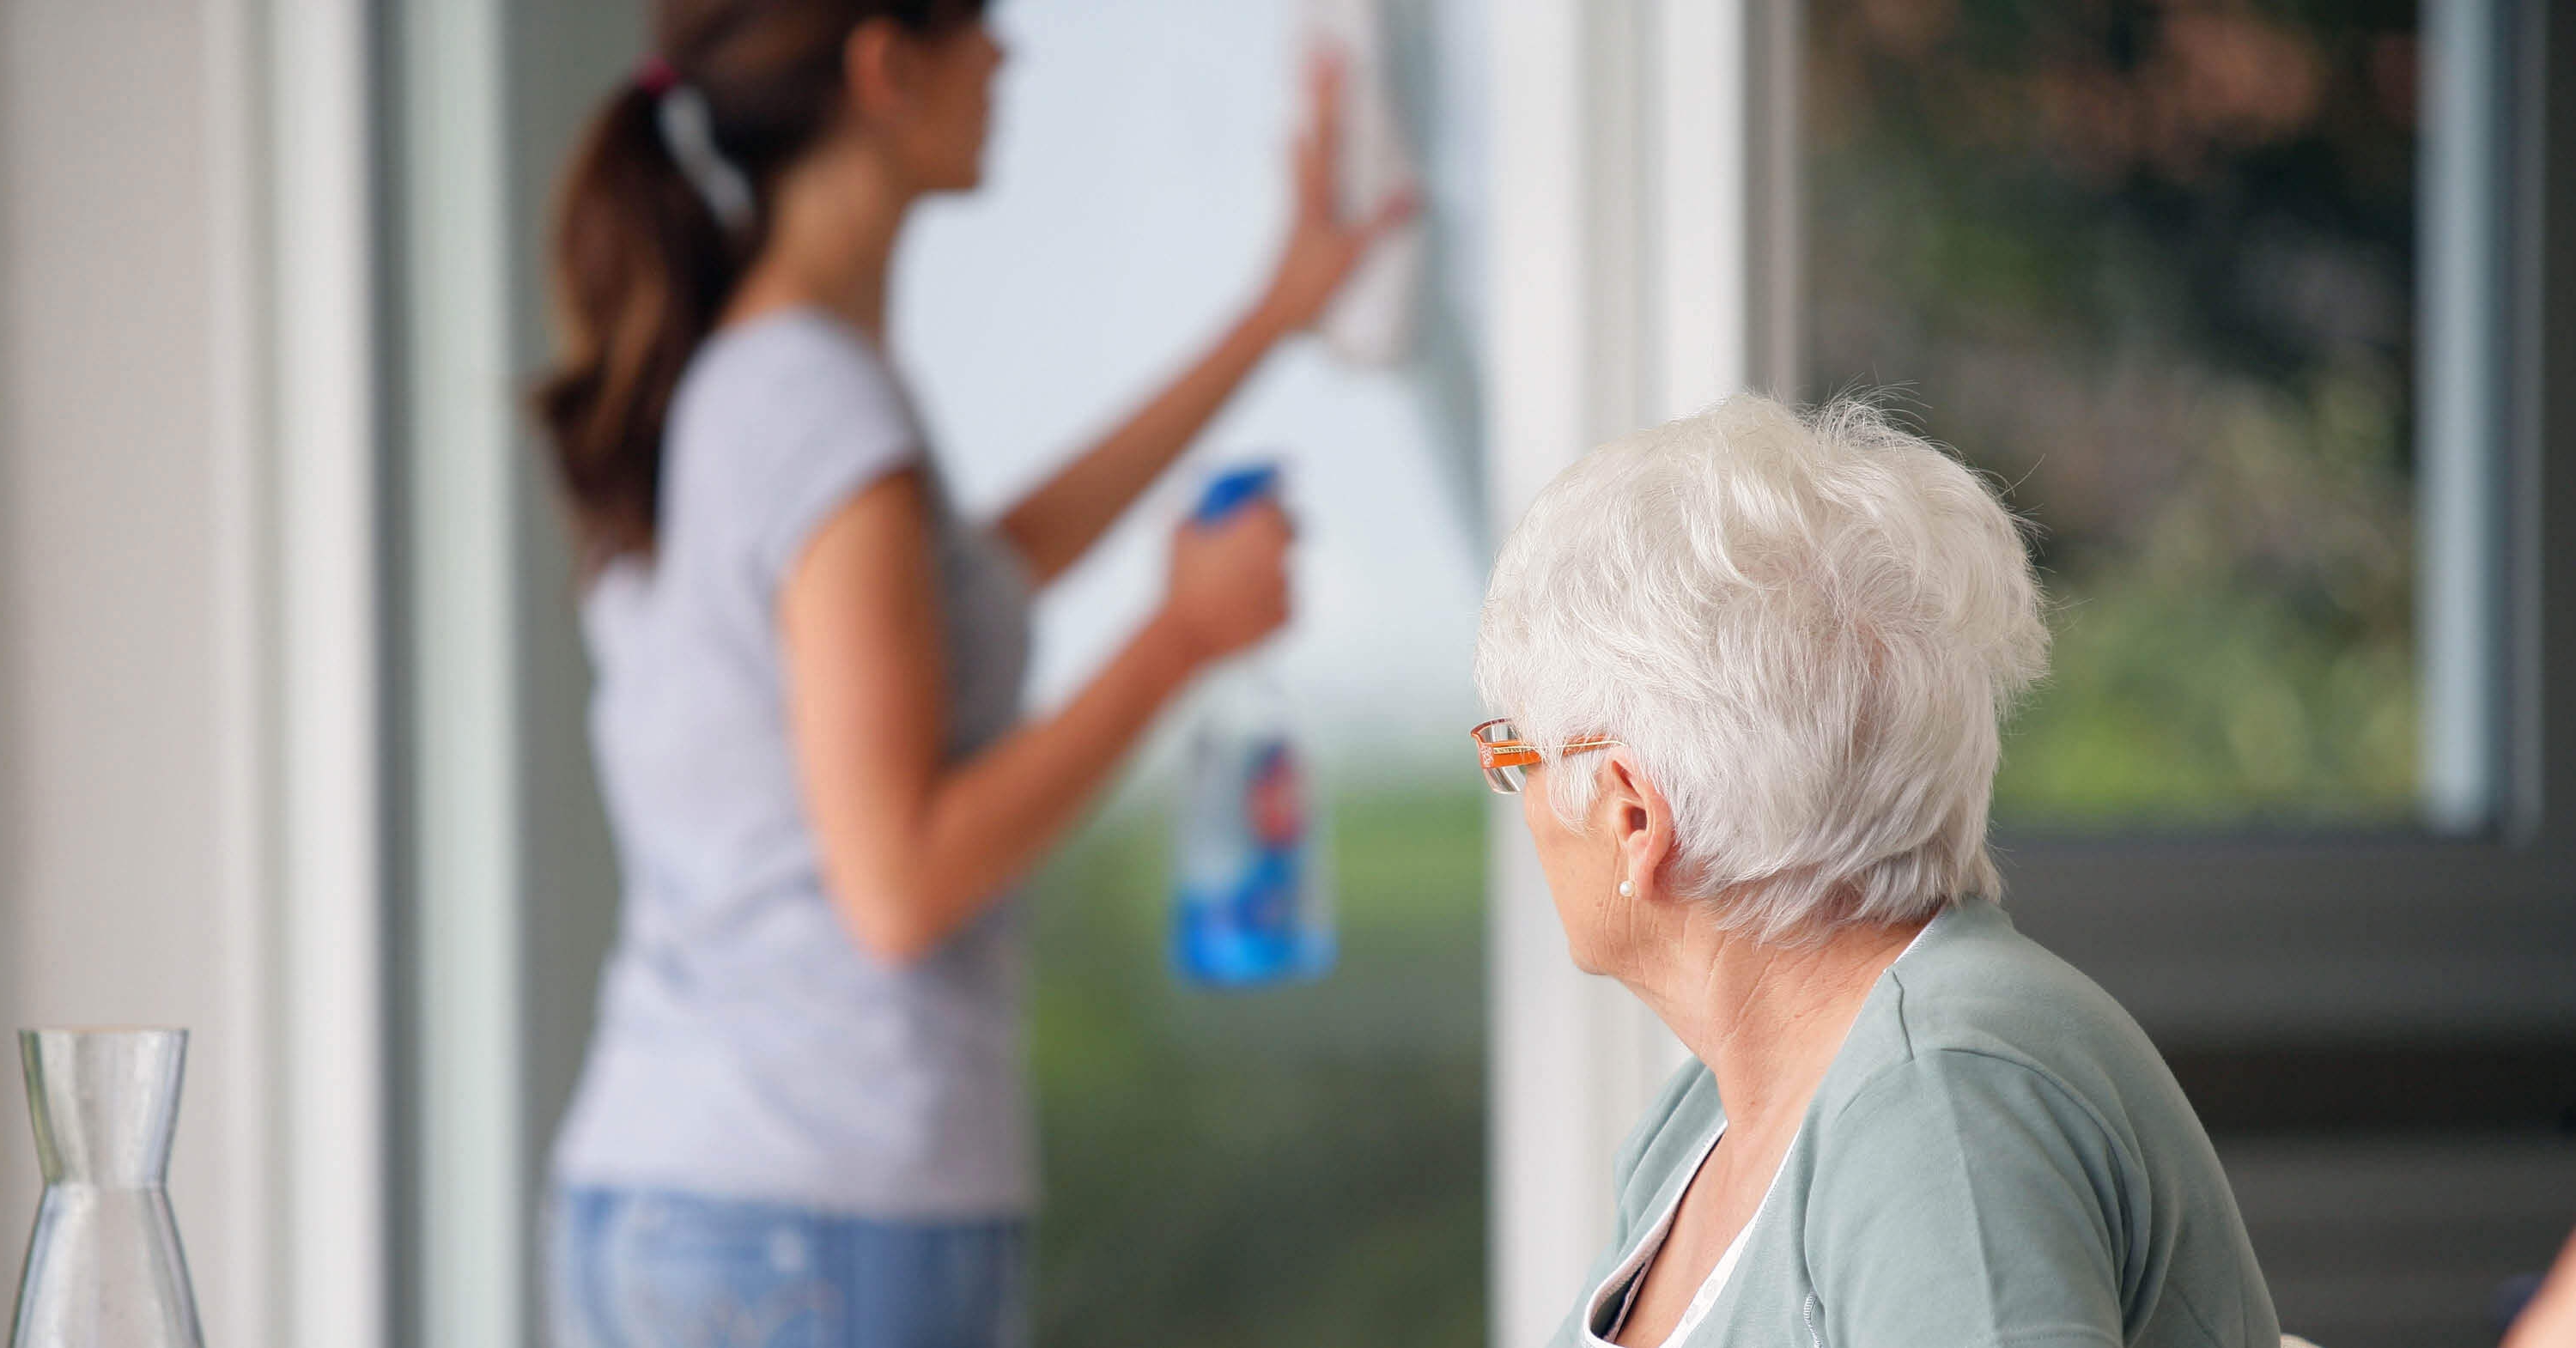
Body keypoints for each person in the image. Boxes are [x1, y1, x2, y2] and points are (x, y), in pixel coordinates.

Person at [528, 3, 1413, 1345]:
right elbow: (899, 884)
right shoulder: (818, 407)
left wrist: (1270, 317)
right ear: (885, 65)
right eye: (980, 27)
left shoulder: (754, 383)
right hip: (817, 1208)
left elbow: (967, 582)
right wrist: (1179, 639)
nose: (1008, 57)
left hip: (693, 1190)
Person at [1471, 395, 2282, 1348]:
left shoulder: (1940, 1103)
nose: (1518, 799)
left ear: (1632, 816)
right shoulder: (1705, 1118)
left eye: (1514, 756)